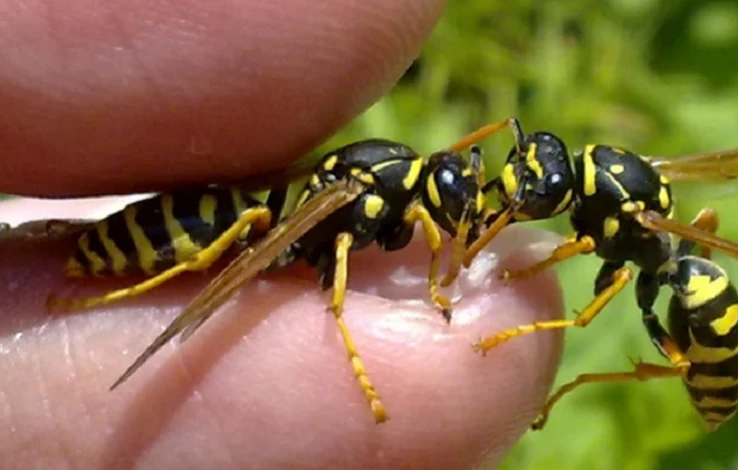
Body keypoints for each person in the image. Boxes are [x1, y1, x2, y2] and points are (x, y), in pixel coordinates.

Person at [0, 1, 565, 468]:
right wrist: (353, 322)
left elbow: (421, 223)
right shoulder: (361, 201)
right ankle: (122, 287)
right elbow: (345, 241)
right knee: (250, 222)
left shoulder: (401, 196)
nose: (451, 217)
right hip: (214, 226)